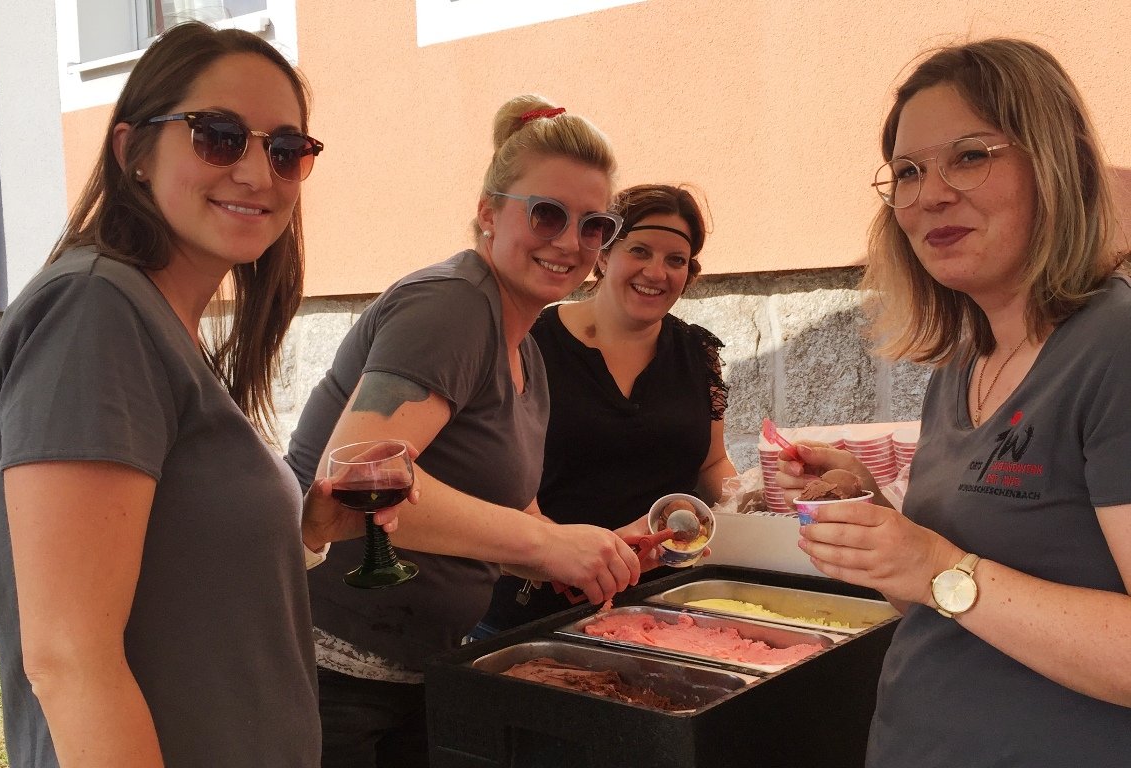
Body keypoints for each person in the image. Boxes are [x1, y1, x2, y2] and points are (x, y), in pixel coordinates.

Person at [0, 22, 394, 767]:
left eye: (285, 150)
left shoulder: (158, 322)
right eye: (218, 135)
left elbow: (182, 576)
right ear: (132, 152)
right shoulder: (94, 313)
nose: (256, 173)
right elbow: (68, 660)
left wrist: (304, 529)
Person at [776, 38, 1131, 766]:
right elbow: (937, 601)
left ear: (1052, 165)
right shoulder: (964, 364)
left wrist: (938, 566)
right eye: (907, 171)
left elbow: (952, 578)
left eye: (969, 155)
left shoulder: (1115, 347)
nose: (930, 193)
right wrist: (882, 531)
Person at [284, 95, 643, 767]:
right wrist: (544, 542)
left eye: (594, 225)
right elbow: (356, 477)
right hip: (329, 672)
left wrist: (584, 548)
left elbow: (511, 517)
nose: (570, 241)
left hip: (412, 672)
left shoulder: (526, 349)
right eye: (546, 214)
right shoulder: (451, 305)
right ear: (489, 213)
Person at [477, 183, 738, 635]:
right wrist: (556, 552)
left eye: (675, 259)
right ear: (602, 254)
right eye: (640, 251)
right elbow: (497, 480)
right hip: (537, 612)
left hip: (667, 611)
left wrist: (752, 506)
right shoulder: (529, 341)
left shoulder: (697, 351)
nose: (656, 272)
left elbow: (712, 463)